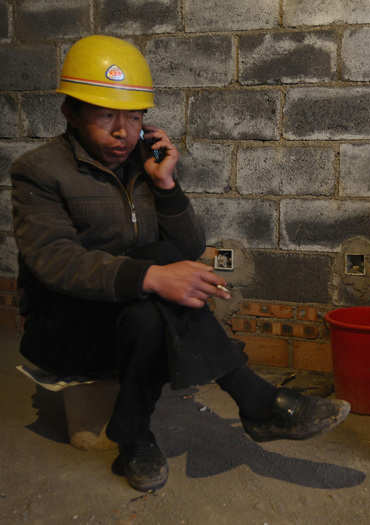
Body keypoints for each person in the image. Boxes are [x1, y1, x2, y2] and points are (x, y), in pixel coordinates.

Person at [10, 35, 350, 493]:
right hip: (67, 326)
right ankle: (256, 401)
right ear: (70, 112)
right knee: (156, 273)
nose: (122, 133)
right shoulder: (40, 170)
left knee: (155, 299)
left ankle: (133, 434)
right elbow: (54, 261)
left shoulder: (144, 163)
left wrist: (166, 185)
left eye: (134, 117)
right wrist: (152, 276)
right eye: (106, 115)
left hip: (132, 318)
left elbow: (188, 248)